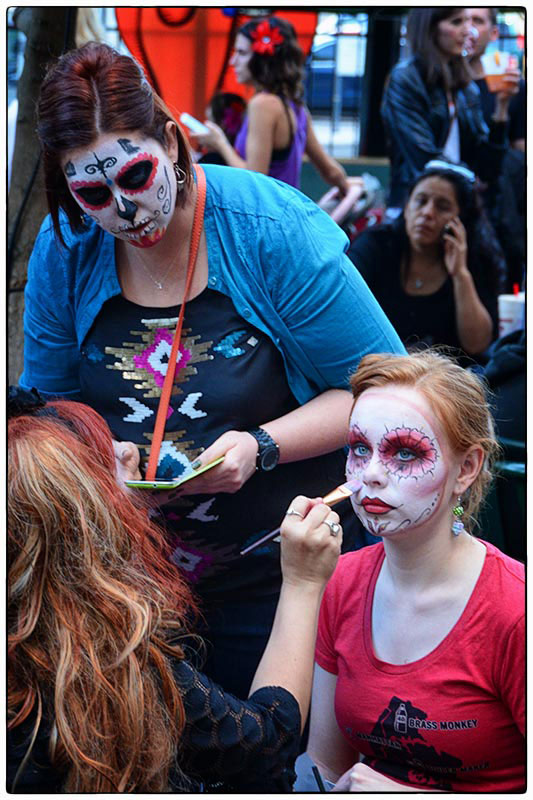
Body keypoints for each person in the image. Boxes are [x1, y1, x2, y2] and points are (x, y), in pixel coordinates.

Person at [20, 42, 405, 699]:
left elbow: (388, 389)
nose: (124, 209)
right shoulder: (66, 247)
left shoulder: (270, 229)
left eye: (135, 175)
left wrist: (262, 447)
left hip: (283, 577)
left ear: (171, 141)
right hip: (129, 585)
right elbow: (44, 414)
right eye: (92, 192)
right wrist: (93, 456)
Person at [7, 388, 343, 792]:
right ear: (83, 516)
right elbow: (265, 750)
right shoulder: (114, 656)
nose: (130, 449)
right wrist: (303, 583)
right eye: (104, 455)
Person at [302, 351, 525, 792]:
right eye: (360, 448)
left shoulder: (515, 612)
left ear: (466, 468)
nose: (371, 474)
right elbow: (322, 767)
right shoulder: (340, 581)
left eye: (405, 453)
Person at [347, 163, 501, 362]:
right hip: (377, 369)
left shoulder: (473, 260)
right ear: (407, 207)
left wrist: (460, 274)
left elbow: (477, 344)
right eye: (421, 201)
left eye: (442, 206)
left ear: (460, 220)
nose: (428, 212)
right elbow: (344, 294)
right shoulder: (377, 244)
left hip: (443, 381)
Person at [381, 7, 520, 210]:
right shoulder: (406, 78)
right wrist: (472, 181)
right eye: (457, 22)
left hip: (458, 206)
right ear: (430, 29)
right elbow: (425, 159)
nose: (467, 30)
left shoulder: (466, 87)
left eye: (470, 22)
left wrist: (501, 107)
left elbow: (488, 166)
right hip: (415, 207)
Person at [193, 15, 350, 192]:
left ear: (263, 59)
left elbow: (255, 178)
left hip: (267, 217)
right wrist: (348, 187)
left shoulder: (262, 104)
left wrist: (220, 144)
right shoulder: (297, 108)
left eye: (242, 53)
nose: (233, 61)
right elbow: (331, 172)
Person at [465, 7, 525, 292]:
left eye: (478, 20)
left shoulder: (511, 86)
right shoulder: (442, 83)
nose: (470, 29)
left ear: (494, 32)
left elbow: (519, 152)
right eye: (462, 20)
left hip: (500, 211)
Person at [196, 92, 246, 166]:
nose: (206, 125)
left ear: (222, 125)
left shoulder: (210, 160)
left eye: (209, 120)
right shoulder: (246, 157)